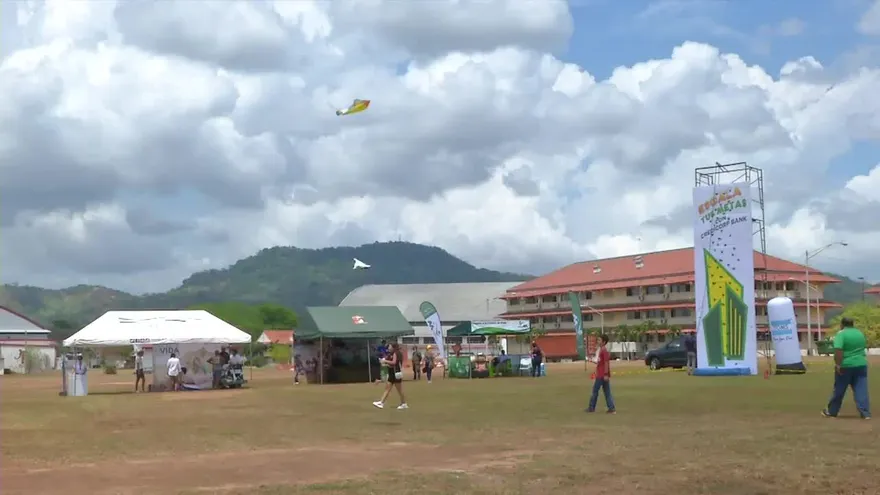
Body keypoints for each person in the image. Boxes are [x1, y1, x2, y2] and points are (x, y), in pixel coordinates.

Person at [822, 318, 871, 419]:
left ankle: (832, 411)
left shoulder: (841, 334)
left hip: (846, 365)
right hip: (861, 364)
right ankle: (865, 413)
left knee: (839, 389)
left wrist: (838, 365)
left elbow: (838, 350)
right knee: (861, 389)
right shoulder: (859, 333)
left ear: (842, 324)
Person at [373, 343, 408, 410]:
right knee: (388, 389)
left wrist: (385, 361)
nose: (388, 348)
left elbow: (394, 362)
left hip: (395, 374)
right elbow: (394, 364)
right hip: (394, 373)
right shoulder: (396, 353)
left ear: (393, 347)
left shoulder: (395, 353)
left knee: (399, 390)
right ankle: (381, 403)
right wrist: (386, 363)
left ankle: (404, 404)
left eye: (389, 346)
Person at [586, 334, 616, 414]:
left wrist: (606, 374)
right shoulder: (601, 350)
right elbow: (600, 362)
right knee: (607, 392)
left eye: (599, 340)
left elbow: (606, 363)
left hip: (602, 375)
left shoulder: (604, 351)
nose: (598, 341)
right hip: (601, 374)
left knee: (595, 391)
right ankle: (611, 408)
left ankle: (591, 407)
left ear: (604, 342)